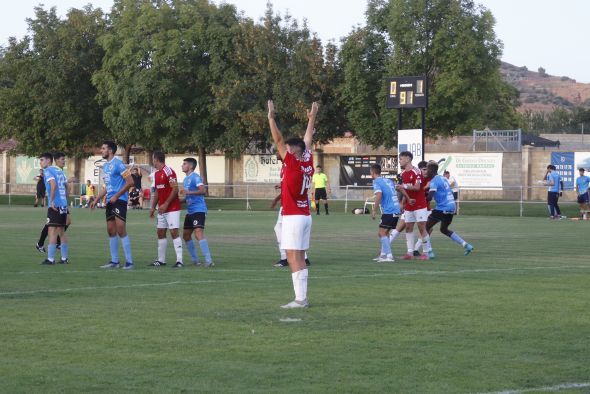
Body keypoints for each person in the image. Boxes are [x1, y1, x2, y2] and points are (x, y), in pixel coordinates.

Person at [267, 99, 317, 309]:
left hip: (294, 216)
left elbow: (278, 139)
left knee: (292, 255)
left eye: (289, 147)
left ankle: (300, 299)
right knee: (299, 255)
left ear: (294, 150)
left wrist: (271, 118)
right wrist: (312, 117)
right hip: (304, 215)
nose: (284, 148)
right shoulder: (307, 161)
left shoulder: (294, 162)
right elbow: (308, 138)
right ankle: (302, 297)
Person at [90, 141, 135, 269]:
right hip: (110, 201)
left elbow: (130, 182)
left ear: (110, 150)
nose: (101, 150)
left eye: (103, 148)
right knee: (111, 231)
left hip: (119, 200)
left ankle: (129, 262)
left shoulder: (119, 164)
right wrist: (97, 199)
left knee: (121, 229)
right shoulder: (105, 166)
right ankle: (114, 262)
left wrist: (117, 195)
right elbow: (106, 187)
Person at [426, 162, 474, 255]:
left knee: (425, 228)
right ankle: (466, 245)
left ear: (431, 170)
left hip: (442, 207)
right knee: (444, 229)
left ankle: (429, 251)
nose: (426, 171)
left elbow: (429, 198)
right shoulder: (443, 178)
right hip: (452, 206)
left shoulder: (434, 181)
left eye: (427, 169)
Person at [370, 164, 412, 262]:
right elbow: (401, 188)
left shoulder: (376, 182)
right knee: (383, 233)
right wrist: (408, 199)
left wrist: (374, 210)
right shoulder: (388, 180)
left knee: (382, 233)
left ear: (372, 172)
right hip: (395, 209)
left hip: (390, 210)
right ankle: (383, 255)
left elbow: (379, 195)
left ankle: (389, 256)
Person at [149, 151, 183, 268]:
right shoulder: (156, 174)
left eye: (152, 159)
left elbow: (175, 189)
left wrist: (166, 203)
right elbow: (158, 191)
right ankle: (161, 260)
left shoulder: (169, 171)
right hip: (162, 209)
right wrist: (153, 207)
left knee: (174, 232)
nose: (152, 161)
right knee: (160, 232)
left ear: (156, 159)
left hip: (172, 208)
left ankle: (179, 260)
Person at [398, 151, 432, 260]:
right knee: (408, 227)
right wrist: (405, 200)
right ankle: (410, 253)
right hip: (409, 204)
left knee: (422, 227)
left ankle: (426, 252)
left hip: (420, 204)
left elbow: (417, 187)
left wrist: (404, 186)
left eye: (401, 159)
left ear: (408, 159)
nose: (400, 161)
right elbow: (403, 189)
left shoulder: (416, 172)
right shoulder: (402, 174)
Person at [180, 158, 214, 267]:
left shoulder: (195, 177)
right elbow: (187, 198)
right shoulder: (185, 180)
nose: (182, 165)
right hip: (190, 211)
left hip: (199, 209)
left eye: (184, 164)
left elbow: (203, 190)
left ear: (190, 166)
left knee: (198, 232)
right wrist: (175, 201)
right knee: (186, 235)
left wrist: (188, 192)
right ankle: (196, 260)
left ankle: (209, 261)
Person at [35, 152, 70, 253]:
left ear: (49, 160)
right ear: (56, 160)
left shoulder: (51, 170)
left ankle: (51, 256)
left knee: (54, 228)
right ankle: (62, 256)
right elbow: (65, 186)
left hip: (57, 203)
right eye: (62, 159)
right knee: (57, 228)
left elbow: (57, 185)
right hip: (60, 203)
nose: (64, 161)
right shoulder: (56, 171)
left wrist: (53, 200)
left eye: (41, 160)